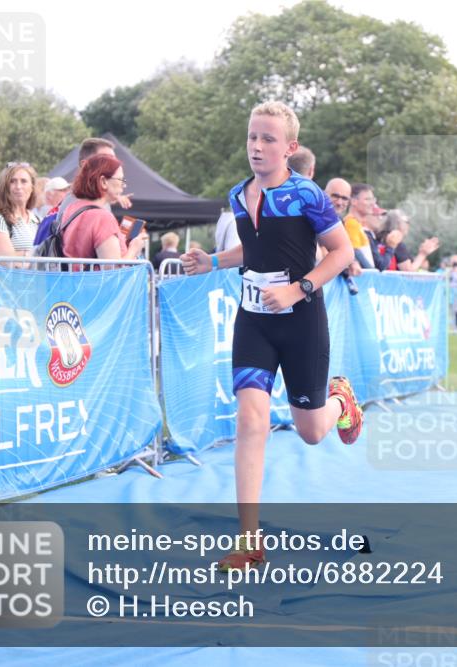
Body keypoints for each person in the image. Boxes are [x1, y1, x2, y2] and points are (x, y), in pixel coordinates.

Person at [181, 101, 363, 572]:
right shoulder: (239, 195)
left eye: (268, 139)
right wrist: (213, 262)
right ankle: (248, 542)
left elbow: (340, 251)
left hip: (302, 321)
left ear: (290, 147)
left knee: (311, 431)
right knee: (251, 419)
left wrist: (299, 288)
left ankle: (341, 401)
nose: (257, 147)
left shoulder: (308, 195)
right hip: (254, 320)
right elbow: (254, 247)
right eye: (252, 137)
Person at [60, 154, 148, 266]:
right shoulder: (102, 217)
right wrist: (133, 249)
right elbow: (113, 270)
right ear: (103, 182)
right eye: (120, 179)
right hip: (96, 283)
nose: (123, 186)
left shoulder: (72, 208)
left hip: (72, 281)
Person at [0, 162, 41, 256]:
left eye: (24, 181)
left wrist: (23, 255)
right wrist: (36, 256)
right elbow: (8, 262)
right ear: (4, 188)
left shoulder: (38, 220)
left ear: (32, 187)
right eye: (12, 181)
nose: (18, 187)